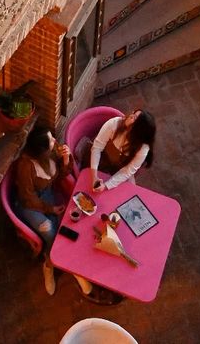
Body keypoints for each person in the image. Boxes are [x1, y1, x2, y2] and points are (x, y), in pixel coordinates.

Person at [12, 124, 77, 295]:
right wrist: (50, 209)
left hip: (47, 195)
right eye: (51, 140)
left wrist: (65, 159)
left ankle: (53, 260)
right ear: (41, 150)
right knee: (50, 232)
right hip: (30, 205)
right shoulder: (26, 166)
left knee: (66, 225)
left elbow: (61, 175)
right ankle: (49, 267)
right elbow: (28, 198)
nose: (55, 140)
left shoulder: (52, 154)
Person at [89, 110, 156, 190]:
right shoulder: (114, 124)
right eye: (133, 113)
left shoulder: (143, 148)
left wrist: (106, 186)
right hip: (102, 158)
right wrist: (94, 177)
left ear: (139, 130)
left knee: (129, 191)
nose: (131, 116)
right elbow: (97, 147)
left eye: (134, 118)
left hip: (120, 168)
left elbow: (128, 171)